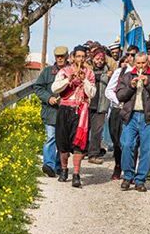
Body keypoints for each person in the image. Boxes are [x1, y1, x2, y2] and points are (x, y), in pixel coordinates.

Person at [116, 52, 150, 192]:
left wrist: (148, 83)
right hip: (130, 117)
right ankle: (127, 176)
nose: (140, 66)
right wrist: (131, 87)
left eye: (143, 63)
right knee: (126, 145)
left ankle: (140, 180)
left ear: (147, 63)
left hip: (148, 117)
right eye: (138, 63)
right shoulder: (127, 76)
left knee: (147, 149)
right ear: (134, 63)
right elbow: (119, 95)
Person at [51, 45, 97, 188]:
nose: (80, 59)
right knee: (63, 143)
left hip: (81, 111)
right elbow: (55, 88)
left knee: (79, 143)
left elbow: (92, 93)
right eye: (78, 56)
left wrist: (84, 81)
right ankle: (64, 169)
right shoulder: (64, 72)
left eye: (83, 57)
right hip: (65, 109)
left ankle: (76, 174)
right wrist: (68, 80)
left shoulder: (89, 73)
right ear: (72, 58)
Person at [33, 46, 68, 178]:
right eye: (57, 56)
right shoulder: (47, 72)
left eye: (62, 56)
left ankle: (59, 165)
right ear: (55, 57)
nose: (60, 58)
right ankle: (49, 165)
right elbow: (38, 87)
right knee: (51, 138)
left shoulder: (71, 71)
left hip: (66, 112)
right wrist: (49, 98)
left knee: (62, 140)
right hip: (51, 111)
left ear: (67, 56)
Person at [105, 54, 134, 180]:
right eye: (130, 55)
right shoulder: (120, 72)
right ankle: (118, 166)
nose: (132, 58)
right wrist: (119, 100)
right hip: (119, 110)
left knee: (131, 142)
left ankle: (131, 170)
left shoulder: (143, 74)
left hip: (134, 111)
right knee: (117, 140)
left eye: (134, 55)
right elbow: (109, 90)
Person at [88, 51, 111, 164]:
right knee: (84, 129)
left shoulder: (109, 71)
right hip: (87, 104)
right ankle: (82, 151)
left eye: (102, 59)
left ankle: (93, 154)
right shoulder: (87, 70)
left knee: (97, 131)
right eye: (97, 59)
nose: (99, 61)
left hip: (101, 104)